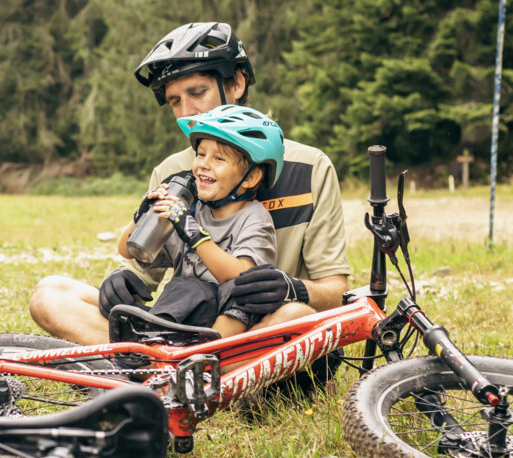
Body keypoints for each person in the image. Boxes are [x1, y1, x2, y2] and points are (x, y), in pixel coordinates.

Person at [30, 22, 349, 397]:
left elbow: (337, 291)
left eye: (196, 93)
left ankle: (167, 378)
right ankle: (177, 376)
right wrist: (120, 285)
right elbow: (142, 266)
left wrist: (295, 289)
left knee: (299, 317)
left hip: (261, 331)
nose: (186, 113)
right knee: (50, 294)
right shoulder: (172, 172)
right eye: (175, 101)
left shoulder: (310, 166)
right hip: (189, 327)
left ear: (237, 83)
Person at [118, 105, 297, 339]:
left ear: (251, 177)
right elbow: (128, 251)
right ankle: (155, 344)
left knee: (240, 291)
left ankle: (205, 355)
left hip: (227, 325)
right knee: (184, 287)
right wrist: (141, 218)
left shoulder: (254, 217)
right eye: (201, 154)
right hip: (187, 317)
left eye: (219, 158)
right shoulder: (189, 210)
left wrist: (194, 234)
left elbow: (242, 275)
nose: (203, 164)